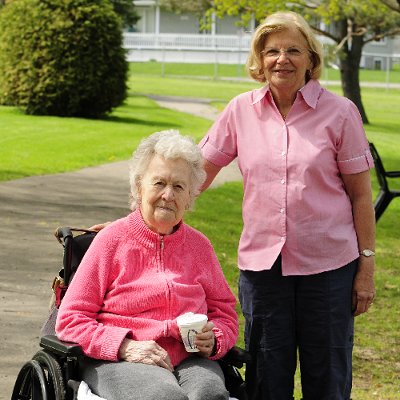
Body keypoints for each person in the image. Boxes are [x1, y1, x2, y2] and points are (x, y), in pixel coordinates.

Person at [199, 11, 376, 400]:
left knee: (327, 375)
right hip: (263, 271)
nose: (282, 59)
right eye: (272, 51)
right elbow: (196, 176)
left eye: (294, 50)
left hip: (329, 268)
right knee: (266, 374)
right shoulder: (239, 110)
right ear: (259, 60)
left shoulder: (341, 112)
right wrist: (136, 219)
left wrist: (366, 265)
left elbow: (361, 195)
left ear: (311, 59)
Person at [55, 130, 239, 400]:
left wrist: (216, 339)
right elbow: (71, 320)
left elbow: (225, 313)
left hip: (190, 359)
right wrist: (123, 346)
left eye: (178, 187)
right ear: (139, 186)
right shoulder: (111, 241)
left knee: (211, 395)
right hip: (123, 359)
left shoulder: (200, 247)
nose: (168, 195)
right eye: (159, 183)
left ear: (190, 197)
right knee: (163, 397)